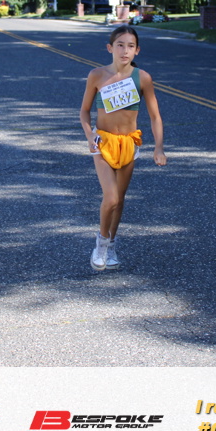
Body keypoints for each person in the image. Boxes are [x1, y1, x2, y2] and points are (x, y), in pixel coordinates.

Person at [80, 25, 166, 271]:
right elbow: (84, 111)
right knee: (111, 197)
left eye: (130, 46)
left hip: (128, 143)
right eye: (120, 45)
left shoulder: (143, 78)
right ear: (110, 48)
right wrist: (89, 135)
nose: (125, 50)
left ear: (137, 50)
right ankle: (101, 244)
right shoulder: (97, 75)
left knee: (120, 200)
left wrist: (159, 147)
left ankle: (112, 244)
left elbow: (155, 116)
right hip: (103, 142)